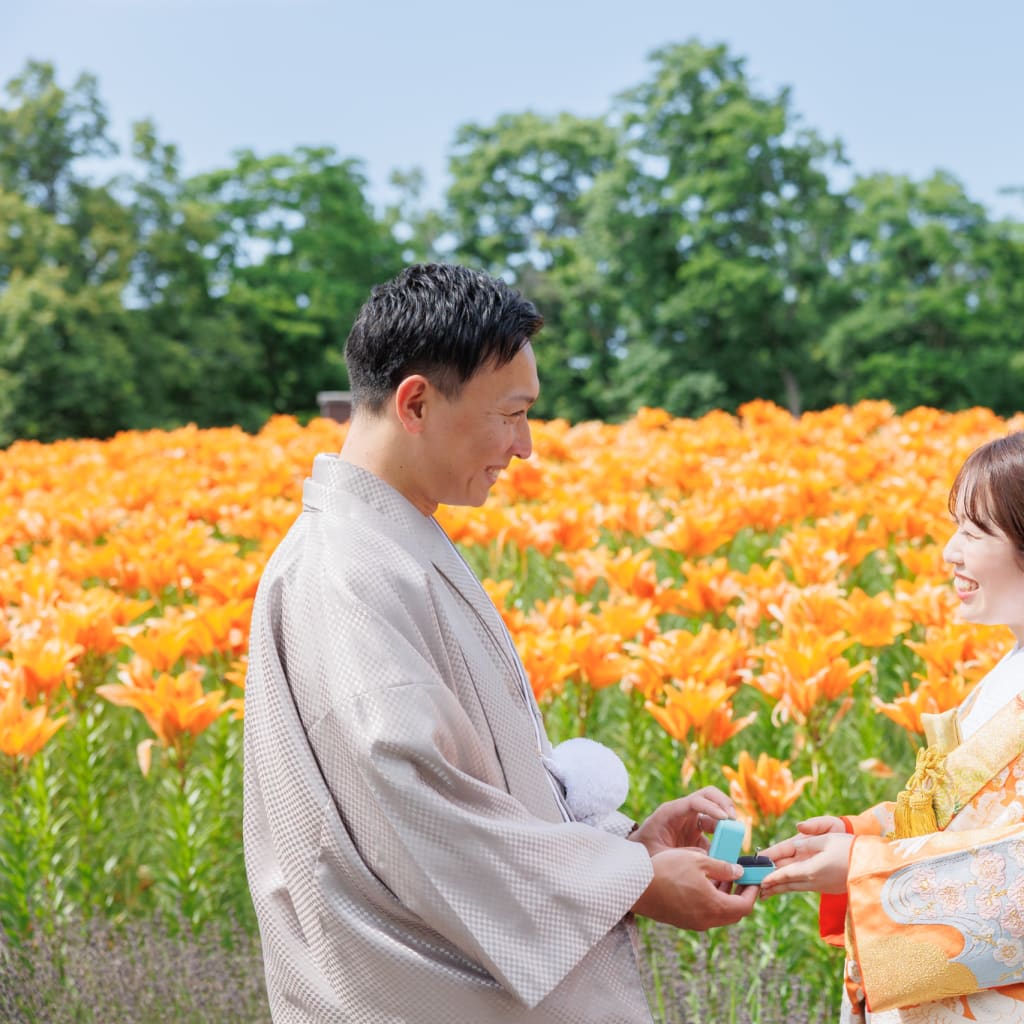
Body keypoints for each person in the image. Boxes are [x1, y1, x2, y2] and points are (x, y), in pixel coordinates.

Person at [242, 263, 758, 1024]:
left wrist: (629, 845)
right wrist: (634, 880)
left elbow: (473, 781)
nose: (525, 448)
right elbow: (418, 811)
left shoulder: (390, 542)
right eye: (511, 414)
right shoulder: (348, 569)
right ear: (416, 402)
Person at [759, 432, 1024, 1023]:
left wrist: (864, 865)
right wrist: (863, 833)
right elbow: (967, 812)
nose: (950, 554)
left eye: (975, 533)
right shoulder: (1007, 666)